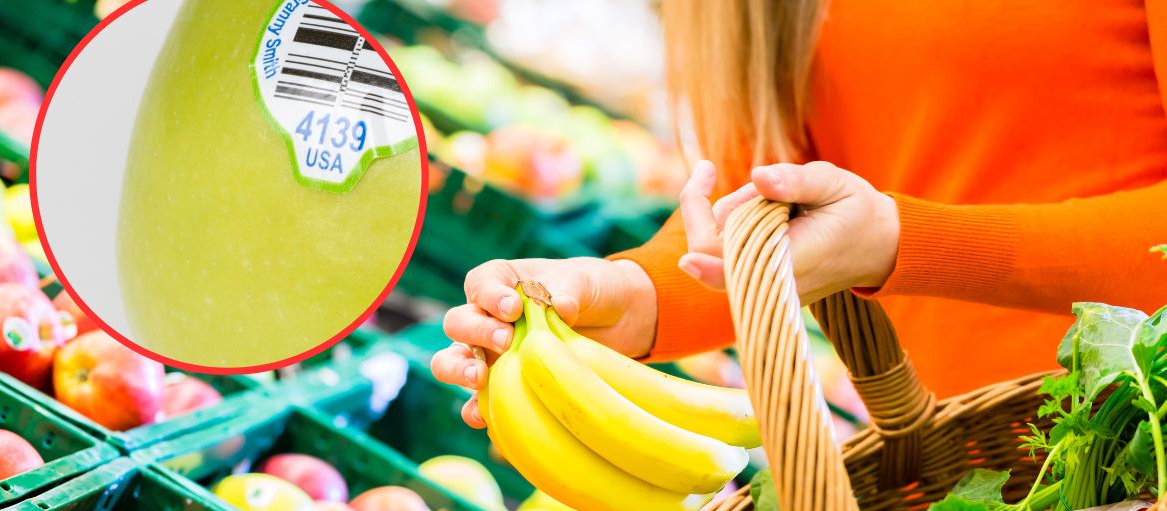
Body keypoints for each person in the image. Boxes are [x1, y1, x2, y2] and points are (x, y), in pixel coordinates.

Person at [431, 0, 1167, 428]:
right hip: (982, 498)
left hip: (1143, 450)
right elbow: (752, 209)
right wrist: (635, 296)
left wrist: (903, 243)